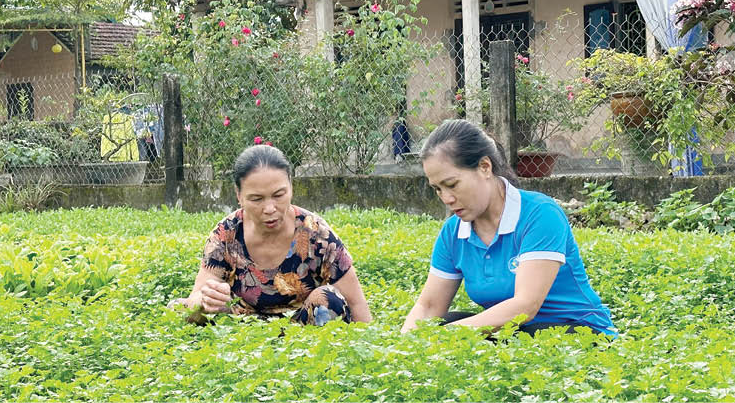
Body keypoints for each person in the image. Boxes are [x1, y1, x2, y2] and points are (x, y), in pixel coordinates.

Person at [401, 119, 614, 336]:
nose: (446, 198)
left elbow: (525, 307)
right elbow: (428, 307)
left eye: (452, 184)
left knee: (453, 332)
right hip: (514, 334)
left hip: (577, 333)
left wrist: (447, 335)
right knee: (437, 324)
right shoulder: (453, 232)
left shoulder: (539, 214)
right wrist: (402, 347)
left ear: (485, 167)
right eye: (437, 189)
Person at [174, 144, 372, 326]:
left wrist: (370, 354)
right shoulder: (226, 235)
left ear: (291, 187)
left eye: (278, 195)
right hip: (245, 335)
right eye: (256, 199)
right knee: (181, 307)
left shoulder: (317, 234)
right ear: (239, 195)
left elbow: (356, 304)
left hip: (305, 335)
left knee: (330, 297)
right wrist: (206, 300)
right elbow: (198, 296)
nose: (270, 208)